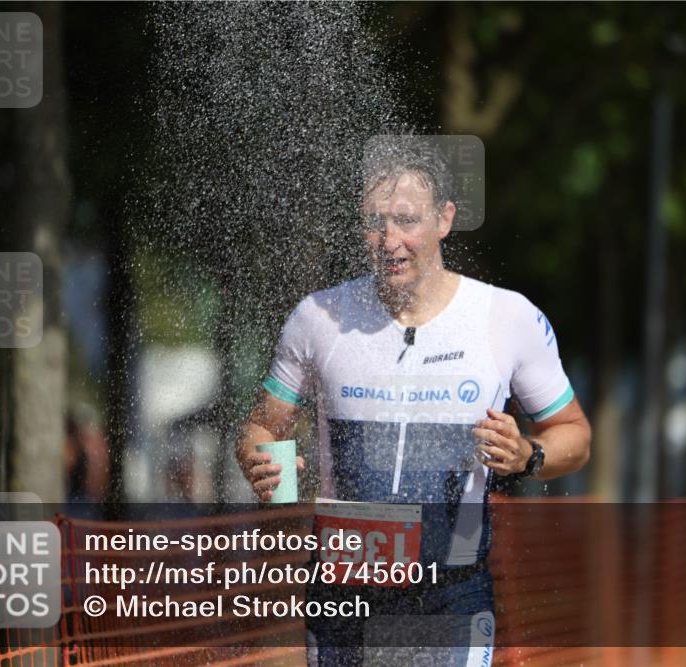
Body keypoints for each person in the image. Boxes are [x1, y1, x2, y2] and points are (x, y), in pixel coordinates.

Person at [236, 136, 591, 666]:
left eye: (406, 220)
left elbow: (576, 435)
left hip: (451, 590)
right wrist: (257, 457)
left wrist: (528, 456)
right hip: (343, 592)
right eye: (375, 221)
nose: (389, 240)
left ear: (445, 219)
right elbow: (262, 427)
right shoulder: (319, 317)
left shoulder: (506, 318)